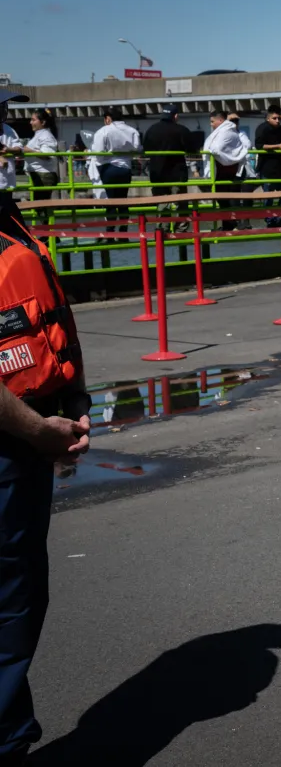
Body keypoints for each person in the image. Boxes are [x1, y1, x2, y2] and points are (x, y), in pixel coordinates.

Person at [0, 175, 92, 767]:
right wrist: (36, 431)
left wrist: (75, 400)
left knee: (18, 593)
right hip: (12, 440)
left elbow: (44, 316)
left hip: (26, 434)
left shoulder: (6, 218)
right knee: (8, 598)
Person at [91, 108, 142, 232]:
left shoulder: (103, 131)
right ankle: (124, 228)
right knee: (123, 199)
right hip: (126, 168)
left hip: (108, 168)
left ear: (108, 118)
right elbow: (138, 148)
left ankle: (110, 229)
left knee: (111, 201)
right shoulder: (132, 131)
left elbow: (98, 152)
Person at [143, 104, 193, 230]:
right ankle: (181, 228)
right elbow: (192, 149)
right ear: (175, 116)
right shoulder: (181, 130)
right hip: (177, 172)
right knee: (180, 201)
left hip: (157, 172)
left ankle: (161, 228)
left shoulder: (152, 130)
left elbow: (145, 149)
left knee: (162, 202)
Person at [202, 111, 249, 232]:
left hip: (227, 170)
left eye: (213, 121)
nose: (211, 124)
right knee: (222, 198)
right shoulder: (226, 131)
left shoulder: (227, 132)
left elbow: (217, 149)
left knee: (227, 198)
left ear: (220, 121)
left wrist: (211, 151)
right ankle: (229, 223)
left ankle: (234, 222)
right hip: (224, 169)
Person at [254, 106, 281, 227]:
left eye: (279, 118)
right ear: (268, 118)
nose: (277, 120)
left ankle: (278, 219)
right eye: (275, 118)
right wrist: (278, 146)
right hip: (266, 169)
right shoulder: (262, 128)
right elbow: (259, 146)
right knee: (269, 197)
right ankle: (269, 220)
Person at [19, 109, 60, 207]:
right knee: (39, 207)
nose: (30, 122)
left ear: (43, 122)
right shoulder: (39, 134)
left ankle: (46, 222)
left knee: (41, 207)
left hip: (43, 174)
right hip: (38, 173)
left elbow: (47, 155)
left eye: (33, 120)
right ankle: (44, 221)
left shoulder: (46, 135)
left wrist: (29, 150)